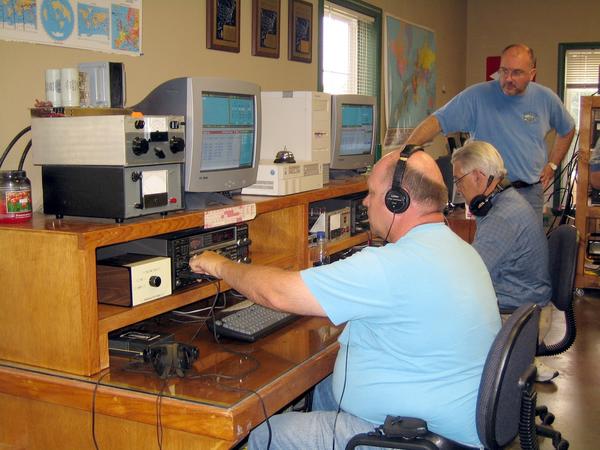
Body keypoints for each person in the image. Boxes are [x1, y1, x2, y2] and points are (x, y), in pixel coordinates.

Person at [189, 148, 501, 449]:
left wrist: (220, 265)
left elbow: (276, 293)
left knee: (265, 434)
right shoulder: (460, 249)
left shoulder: (389, 266)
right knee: (324, 388)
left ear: (397, 201)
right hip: (457, 424)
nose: (365, 201)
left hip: (417, 440)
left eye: (372, 193)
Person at [405, 43, 575, 216]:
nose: (508, 79)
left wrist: (552, 165)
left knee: (529, 234)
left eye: (517, 72)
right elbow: (437, 121)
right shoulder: (477, 96)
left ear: (532, 74)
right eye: (504, 71)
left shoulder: (546, 99)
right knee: (491, 235)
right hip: (488, 194)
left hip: (529, 193)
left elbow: (567, 129)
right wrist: (404, 153)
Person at [451, 140, 556, 381]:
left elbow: (470, 274)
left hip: (519, 319)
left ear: (478, 176)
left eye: (458, 180)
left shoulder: (502, 217)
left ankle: (512, 366)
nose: (458, 189)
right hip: (527, 311)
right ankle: (519, 364)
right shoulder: (507, 200)